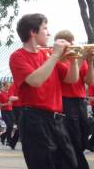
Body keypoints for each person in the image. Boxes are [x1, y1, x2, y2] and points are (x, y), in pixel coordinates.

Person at [9, 13, 79, 168]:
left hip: (56, 119)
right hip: (34, 120)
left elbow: (71, 79)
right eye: (45, 29)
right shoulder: (17, 57)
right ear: (33, 32)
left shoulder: (47, 54)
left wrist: (73, 59)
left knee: (70, 163)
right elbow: (35, 80)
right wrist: (55, 55)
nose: (49, 33)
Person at [55, 30, 94, 169]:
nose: (71, 44)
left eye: (71, 40)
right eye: (66, 41)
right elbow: (71, 79)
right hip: (66, 102)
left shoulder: (78, 59)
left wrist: (90, 63)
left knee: (84, 136)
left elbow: (89, 81)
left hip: (81, 101)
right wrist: (81, 58)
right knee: (74, 139)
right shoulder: (58, 61)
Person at [0, 82, 14, 146]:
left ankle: (3, 136)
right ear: (4, 86)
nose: (8, 87)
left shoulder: (10, 93)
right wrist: (6, 104)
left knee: (11, 126)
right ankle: (8, 140)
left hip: (11, 110)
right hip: (4, 111)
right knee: (9, 125)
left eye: (9, 86)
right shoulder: (1, 94)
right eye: (7, 86)